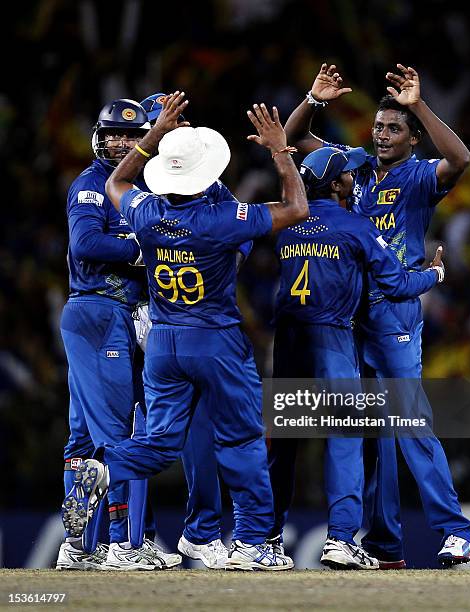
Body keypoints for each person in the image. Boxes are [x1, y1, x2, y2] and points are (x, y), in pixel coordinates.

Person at [61, 92, 308, 571]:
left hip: (162, 344)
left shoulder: (146, 215)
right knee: (241, 440)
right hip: (215, 339)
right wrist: (280, 149)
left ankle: (107, 468)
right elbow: (296, 208)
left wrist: (153, 137)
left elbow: (117, 180)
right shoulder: (221, 218)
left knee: (158, 442)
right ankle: (253, 544)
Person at [282, 63, 470, 568]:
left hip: (393, 313)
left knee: (408, 420)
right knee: (370, 433)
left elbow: (460, 157)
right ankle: (384, 543)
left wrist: (418, 105)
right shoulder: (357, 164)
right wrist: (315, 98)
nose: (382, 135)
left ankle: (456, 531)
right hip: (349, 317)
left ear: (413, 139)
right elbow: (292, 138)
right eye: (379, 127)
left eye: (394, 129)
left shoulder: (417, 177)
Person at [268, 145, 444, 569]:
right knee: (345, 438)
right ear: (335, 184)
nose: (355, 177)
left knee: (285, 444)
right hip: (332, 339)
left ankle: (263, 538)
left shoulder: (285, 221)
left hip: (288, 341)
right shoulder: (356, 226)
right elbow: (398, 284)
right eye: (348, 173)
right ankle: (341, 538)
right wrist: (434, 274)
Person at [57, 98, 181, 571]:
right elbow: (86, 243)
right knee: (119, 435)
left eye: (131, 136)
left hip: (102, 315)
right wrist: (144, 250)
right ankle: (122, 544)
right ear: (98, 137)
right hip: (100, 311)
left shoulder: (138, 189)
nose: (122, 143)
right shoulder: (92, 185)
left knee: (82, 439)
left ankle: (78, 547)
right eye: (114, 135)